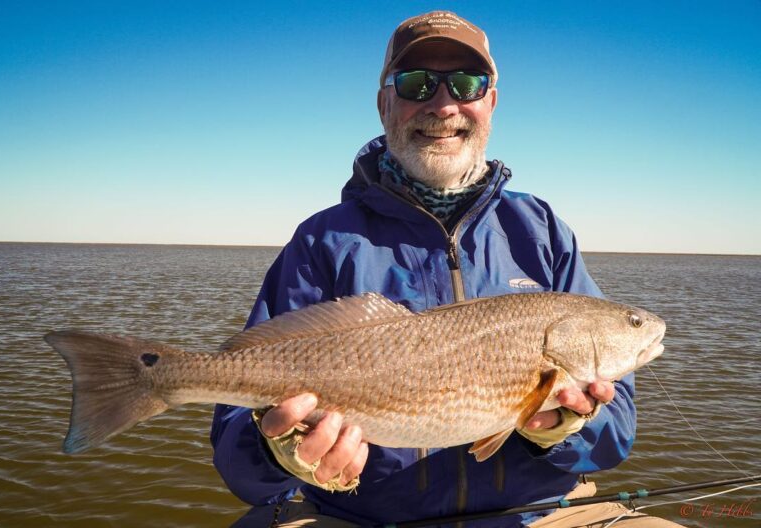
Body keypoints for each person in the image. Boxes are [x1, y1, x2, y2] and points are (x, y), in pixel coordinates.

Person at [212, 11, 684, 528]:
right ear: (384, 103)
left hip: (542, 516)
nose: (443, 104)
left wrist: (563, 432)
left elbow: (615, 434)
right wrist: (275, 448)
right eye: (416, 84)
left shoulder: (543, 230)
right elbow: (241, 460)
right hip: (359, 518)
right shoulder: (322, 241)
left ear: (491, 102)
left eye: (467, 83)